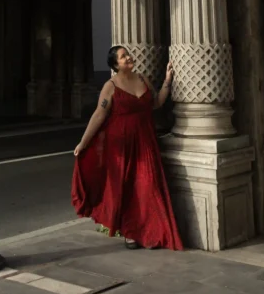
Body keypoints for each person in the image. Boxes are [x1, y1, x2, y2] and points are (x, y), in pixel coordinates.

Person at [71, 45, 184, 250]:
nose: (128, 58)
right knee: (127, 188)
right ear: (116, 64)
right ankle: (130, 232)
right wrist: (83, 142)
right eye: (123, 57)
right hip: (120, 146)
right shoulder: (111, 85)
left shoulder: (142, 79)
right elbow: (99, 114)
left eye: (128, 55)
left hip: (145, 140)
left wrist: (168, 81)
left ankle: (153, 232)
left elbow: (156, 103)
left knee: (148, 184)